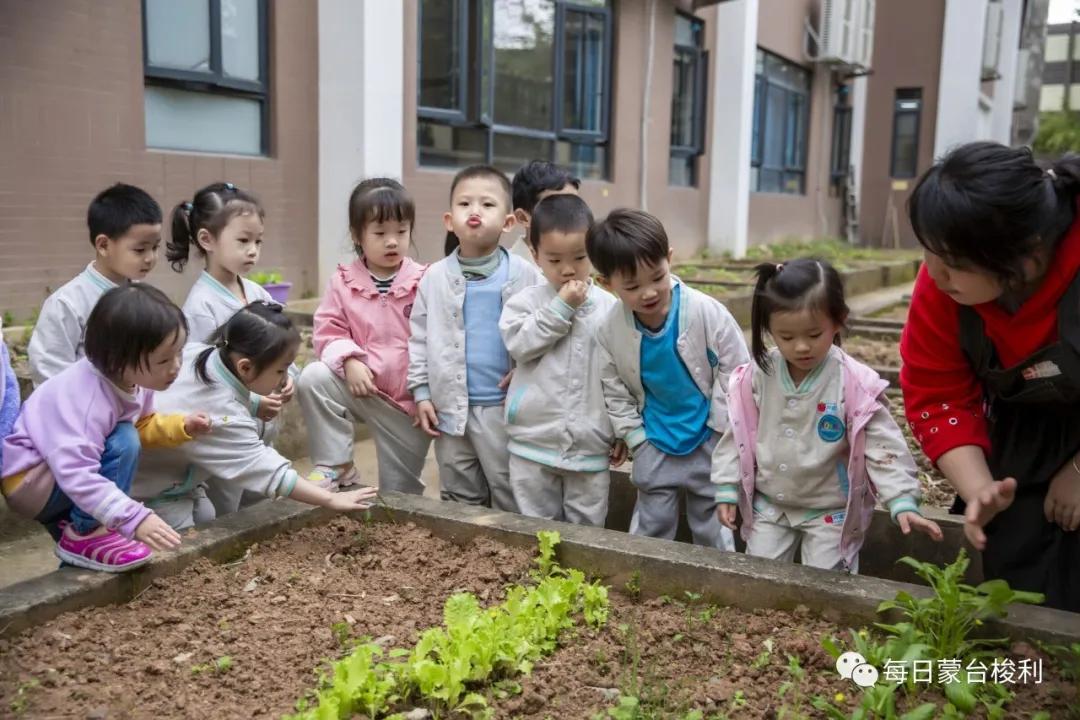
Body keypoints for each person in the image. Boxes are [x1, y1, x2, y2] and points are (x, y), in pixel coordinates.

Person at [901, 141, 1080, 610]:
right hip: (1021, 427)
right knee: (1015, 551)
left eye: (954, 265)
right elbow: (936, 391)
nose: (935, 275)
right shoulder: (943, 279)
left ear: (1026, 261)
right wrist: (979, 489)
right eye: (928, 252)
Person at [713, 260, 942, 572]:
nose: (802, 346)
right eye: (787, 337)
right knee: (759, 577)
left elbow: (881, 444)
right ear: (769, 330)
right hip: (771, 506)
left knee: (828, 586)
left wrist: (901, 499)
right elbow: (737, 433)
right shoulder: (757, 375)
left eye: (813, 333)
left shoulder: (854, 383)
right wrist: (726, 487)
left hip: (829, 512)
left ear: (839, 321)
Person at [2, 285, 211, 572]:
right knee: (124, 439)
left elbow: (143, 424)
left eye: (178, 354)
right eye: (163, 360)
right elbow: (78, 472)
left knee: (126, 436)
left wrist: (181, 425)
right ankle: (88, 532)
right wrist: (131, 517)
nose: (175, 367)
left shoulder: (132, 381)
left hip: (57, 474)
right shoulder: (87, 399)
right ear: (117, 359)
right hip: (32, 479)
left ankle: (83, 542)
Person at [134, 302, 378, 529]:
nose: (284, 379)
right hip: (151, 490)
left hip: (173, 477)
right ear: (246, 367)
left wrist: (252, 402)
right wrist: (330, 500)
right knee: (183, 544)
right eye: (280, 370)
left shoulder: (203, 353)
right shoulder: (222, 416)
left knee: (206, 517)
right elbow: (269, 472)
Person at [587, 209, 749, 548]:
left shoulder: (706, 313)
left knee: (713, 516)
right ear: (606, 283)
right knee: (652, 520)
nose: (648, 293)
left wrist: (720, 431)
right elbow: (613, 387)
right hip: (655, 439)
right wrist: (636, 438)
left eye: (657, 277)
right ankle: (642, 576)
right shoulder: (610, 330)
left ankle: (720, 578)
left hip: (707, 435)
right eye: (632, 286)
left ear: (669, 259)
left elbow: (736, 372)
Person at [409, 165, 542, 511]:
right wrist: (421, 392)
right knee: (457, 486)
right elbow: (419, 338)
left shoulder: (525, 274)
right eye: (465, 204)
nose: (475, 211)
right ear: (449, 220)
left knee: (508, 484)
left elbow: (543, 331)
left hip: (502, 406)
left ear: (509, 222)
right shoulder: (433, 278)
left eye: (487, 204)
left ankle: (513, 554)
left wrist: (529, 369)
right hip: (448, 408)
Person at [297, 178, 431, 494]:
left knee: (400, 497)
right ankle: (336, 465)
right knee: (313, 378)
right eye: (380, 233)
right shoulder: (343, 282)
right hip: (363, 389)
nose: (392, 241)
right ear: (358, 235)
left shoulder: (426, 280)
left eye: (401, 231)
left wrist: (427, 393)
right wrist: (350, 359)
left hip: (408, 405)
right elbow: (327, 330)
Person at [499, 194, 621, 525]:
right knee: (536, 526)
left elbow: (623, 376)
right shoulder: (523, 302)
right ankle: (542, 577)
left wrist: (622, 431)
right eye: (554, 260)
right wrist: (561, 308)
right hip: (532, 440)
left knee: (588, 527)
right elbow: (519, 345)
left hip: (591, 444)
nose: (568, 269)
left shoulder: (610, 309)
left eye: (579, 258)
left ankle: (580, 578)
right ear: (535, 255)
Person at [167, 182, 294, 424]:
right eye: (243, 240)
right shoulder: (201, 307)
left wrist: (287, 376)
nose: (253, 251)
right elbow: (202, 376)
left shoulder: (259, 294)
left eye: (258, 242)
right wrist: (253, 401)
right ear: (207, 240)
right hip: (227, 423)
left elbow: (282, 344)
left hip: (261, 422)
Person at [28, 183, 162, 387]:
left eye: (155, 247)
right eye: (140, 249)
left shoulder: (146, 298)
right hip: (81, 413)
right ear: (103, 245)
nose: (150, 258)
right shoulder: (68, 303)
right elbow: (48, 371)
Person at [508, 160, 581, 263]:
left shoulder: (590, 265)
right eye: (556, 208)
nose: (570, 216)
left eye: (576, 206)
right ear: (523, 217)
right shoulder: (504, 273)